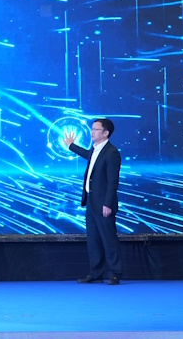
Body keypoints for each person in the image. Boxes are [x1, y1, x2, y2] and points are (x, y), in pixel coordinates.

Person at [63, 118, 123, 285]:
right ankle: (96, 273)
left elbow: (113, 181)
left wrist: (108, 203)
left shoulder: (112, 153)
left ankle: (115, 273)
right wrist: (71, 145)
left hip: (104, 204)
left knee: (108, 239)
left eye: (96, 129)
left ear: (106, 133)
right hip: (91, 201)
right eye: (92, 129)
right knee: (93, 239)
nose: (92, 132)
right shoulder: (95, 149)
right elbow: (87, 155)